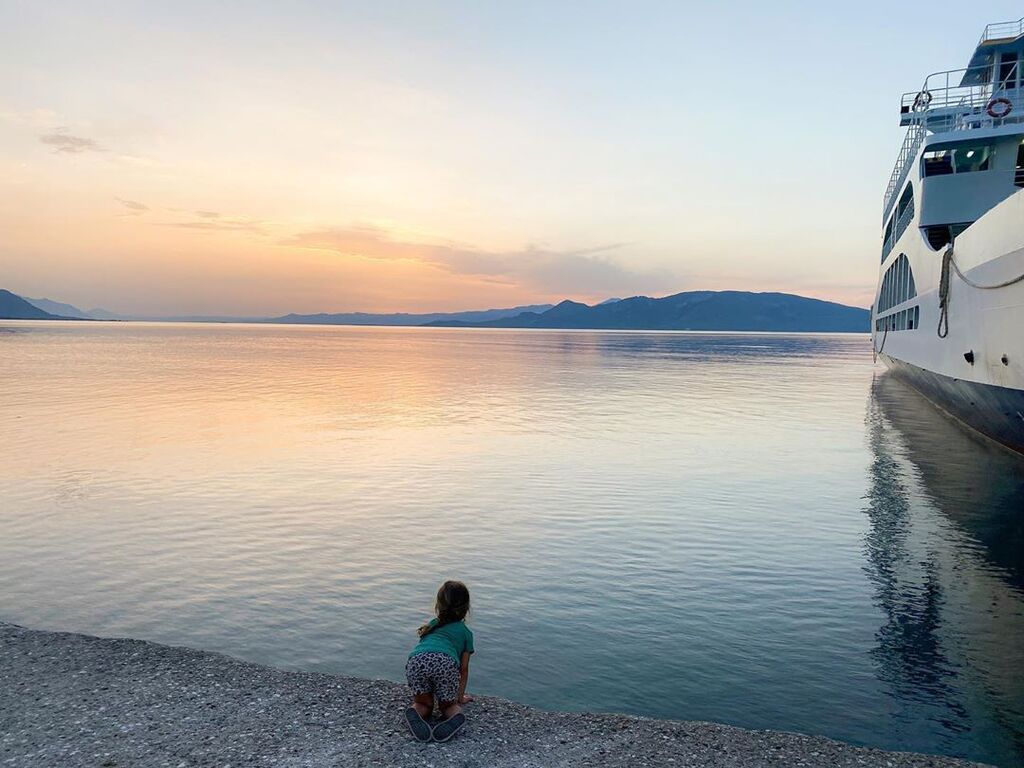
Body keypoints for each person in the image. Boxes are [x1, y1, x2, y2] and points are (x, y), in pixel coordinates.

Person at [403, 580, 474, 742]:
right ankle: (454, 717)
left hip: (416, 661)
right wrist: (460, 697)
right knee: (447, 706)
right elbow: (463, 669)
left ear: (438, 605)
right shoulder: (465, 633)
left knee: (425, 705)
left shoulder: (433, 625)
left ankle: (416, 712)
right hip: (445, 663)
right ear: (466, 608)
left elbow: (426, 646)